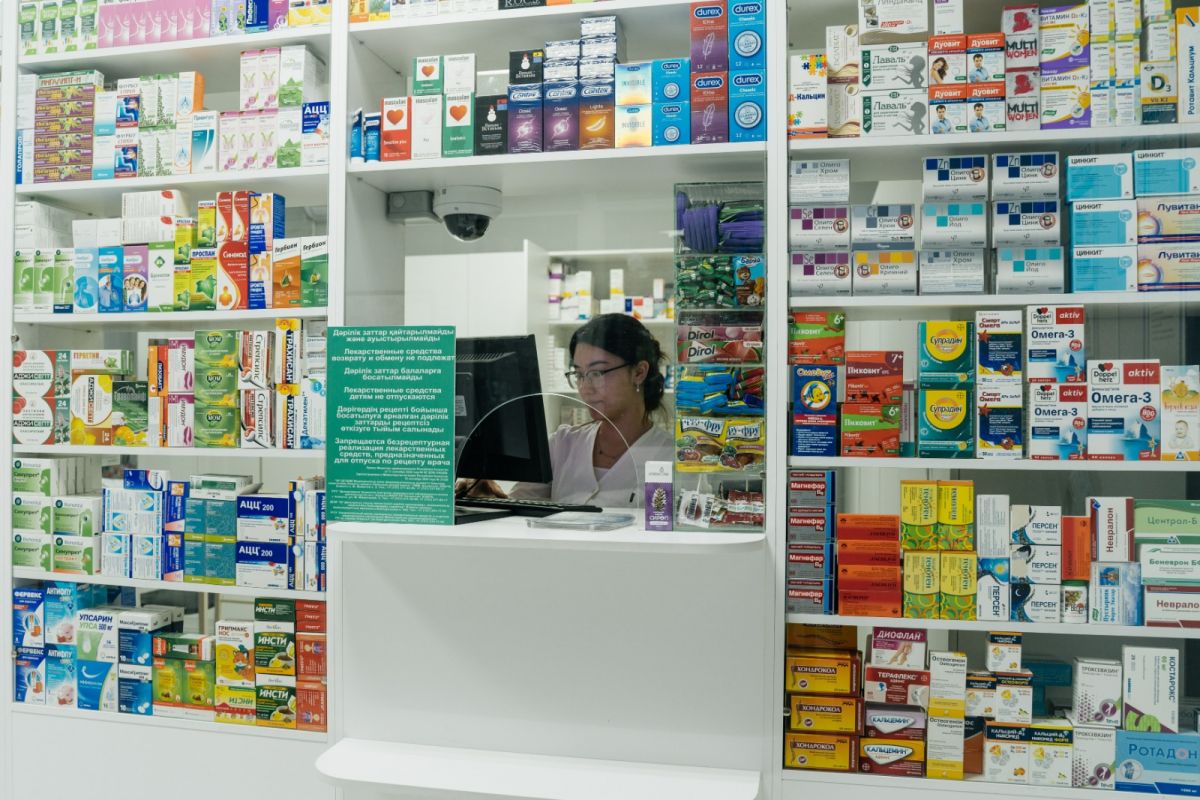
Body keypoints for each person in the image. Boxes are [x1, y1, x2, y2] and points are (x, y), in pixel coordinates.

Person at [462, 314, 673, 508]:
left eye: (598, 373)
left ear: (639, 372)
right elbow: (521, 511)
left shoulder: (671, 457)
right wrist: (488, 499)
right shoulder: (562, 444)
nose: (585, 388)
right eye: (579, 374)